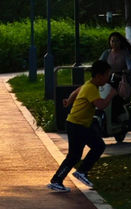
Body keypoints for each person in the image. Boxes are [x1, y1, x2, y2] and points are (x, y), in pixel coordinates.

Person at [48, 59, 117, 192]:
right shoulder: (91, 88)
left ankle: (57, 180)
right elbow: (101, 105)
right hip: (78, 125)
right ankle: (81, 172)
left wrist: (68, 101)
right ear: (99, 76)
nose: (108, 78)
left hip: (76, 124)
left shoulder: (88, 85)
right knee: (98, 146)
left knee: (74, 155)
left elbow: (76, 91)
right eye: (107, 75)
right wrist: (111, 95)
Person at [99, 31, 131, 127]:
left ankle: (117, 117)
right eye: (112, 41)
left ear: (120, 42)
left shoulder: (124, 53)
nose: (114, 43)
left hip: (120, 80)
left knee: (115, 97)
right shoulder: (106, 53)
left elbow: (130, 66)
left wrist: (126, 71)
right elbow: (99, 63)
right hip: (107, 80)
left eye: (116, 41)